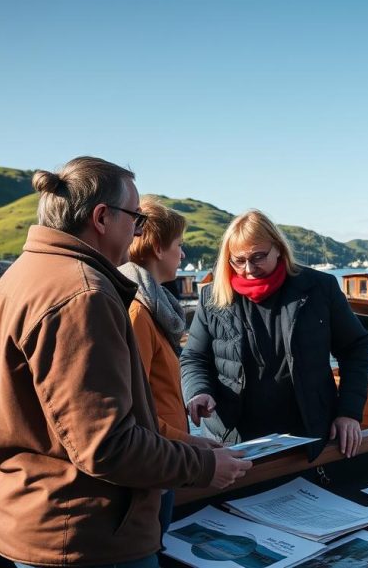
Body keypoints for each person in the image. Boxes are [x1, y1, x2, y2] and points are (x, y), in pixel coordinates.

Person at [0, 156, 251, 568]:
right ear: (102, 217)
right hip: (89, 536)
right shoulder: (83, 295)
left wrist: (180, 440)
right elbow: (106, 445)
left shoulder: (17, 279)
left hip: (34, 523)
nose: (137, 231)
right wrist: (203, 465)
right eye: (135, 218)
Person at [180, 209, 368, 460]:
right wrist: (197, 391)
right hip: (232, 442)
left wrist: (349, 412)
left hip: (306, 438)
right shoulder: (212, 298)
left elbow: (356, 348)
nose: (248, 269)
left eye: (258, 257)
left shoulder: (320, 288)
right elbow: (194, 357)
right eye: (238, 260)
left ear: (279, 248)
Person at [118, 195, 221, 551]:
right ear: (159, 249)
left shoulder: (151, 307)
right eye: (179, 245)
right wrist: (188, 443)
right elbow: (133, 406)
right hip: (155, 466)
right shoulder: (138, 313)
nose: (183, 255)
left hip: (166, 459)